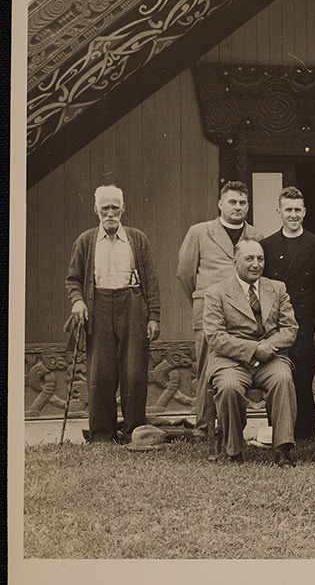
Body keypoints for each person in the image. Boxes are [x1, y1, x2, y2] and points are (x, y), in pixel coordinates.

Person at [66, 185, 160, 443]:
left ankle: (134, 433)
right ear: (96, 209)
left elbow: (151, 281)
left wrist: (154, 317)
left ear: (123, 208)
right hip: (98, 307)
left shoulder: (137, 239)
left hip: (132, 305)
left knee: (134, 371)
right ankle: (102, 435)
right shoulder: (85, 241)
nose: (110, 213)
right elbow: (73, 279)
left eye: (114, 207)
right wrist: (77, 301)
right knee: (100, 372)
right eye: (104, 207)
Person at [177, 181, 263, 438]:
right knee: (206, 367)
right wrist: (203, 299)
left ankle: (233, 427)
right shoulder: (199, 232)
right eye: (232, 202)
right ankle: (204, 427)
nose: (237, 207)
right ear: (220, 204)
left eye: (242, 203)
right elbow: (184, 273)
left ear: (248, 206)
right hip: (208, 310)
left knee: (236, 368)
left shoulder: (255, 236)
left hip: (243, 313)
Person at [202, 240, 298, 466]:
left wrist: (266, 349)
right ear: (235, 262)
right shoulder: (216, 292)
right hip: (231, 360)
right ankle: (233, 450)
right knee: (229, 387)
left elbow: (290, 329)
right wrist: (254, 349)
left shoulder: (277, 288)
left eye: (260, 259)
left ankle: (283, 449)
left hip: (271, 358)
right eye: (249, 259)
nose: (256, 264)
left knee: (284, 380)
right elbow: (215, 336)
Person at [260, 187, 315, 441]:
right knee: (276, 372)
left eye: (298, 210)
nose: (293, 215)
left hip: (306, 319)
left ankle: (306, 430)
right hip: (277, 320)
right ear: (279, 212)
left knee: (303, 372)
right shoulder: (267, 244)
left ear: (304, 212)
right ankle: (278, 427)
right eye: (288, 210)